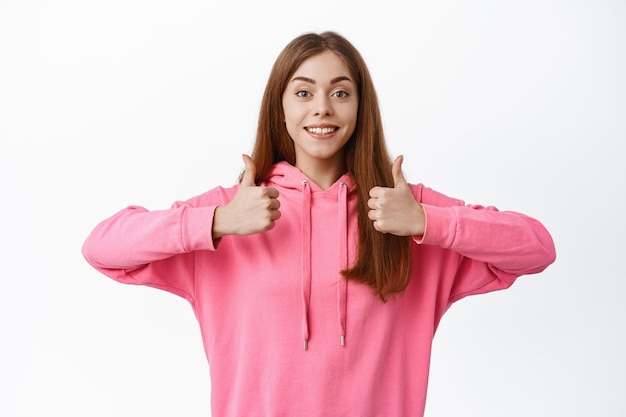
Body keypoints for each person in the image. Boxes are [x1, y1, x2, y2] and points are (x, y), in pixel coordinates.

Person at [82, 31, 556, 417]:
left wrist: (426, 221)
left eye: (340, 92)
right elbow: (102, 247)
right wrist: (217, 222)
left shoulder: (404, 213)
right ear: (280, 108)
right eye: (304, 92)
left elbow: (537, 247)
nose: (322, 108)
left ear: (359, 108)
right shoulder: (234, 213)